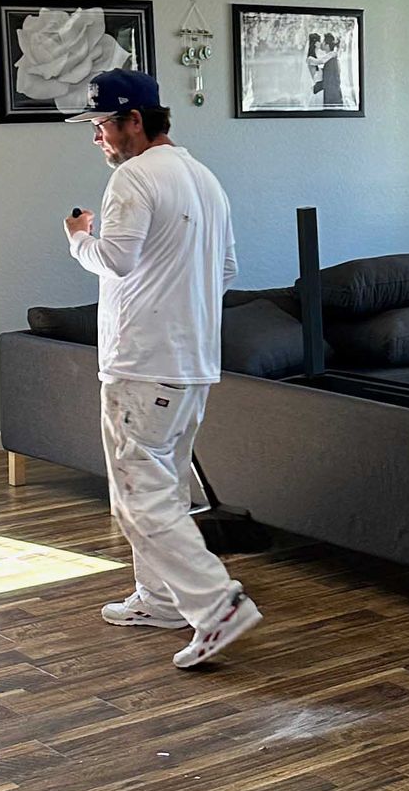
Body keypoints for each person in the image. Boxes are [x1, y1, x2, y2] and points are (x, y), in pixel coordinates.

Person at [62, 68, 262, 668]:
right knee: (164, 486)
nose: (98, 138)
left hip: (143, 363)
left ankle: (214, 604)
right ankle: (159, 598)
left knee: (136, 497)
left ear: (135, 121)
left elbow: (116, 259)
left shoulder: (133, 178)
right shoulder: (204, 179)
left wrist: (77, 238)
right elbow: (225, 271)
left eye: (102, 125)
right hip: (193, 363)